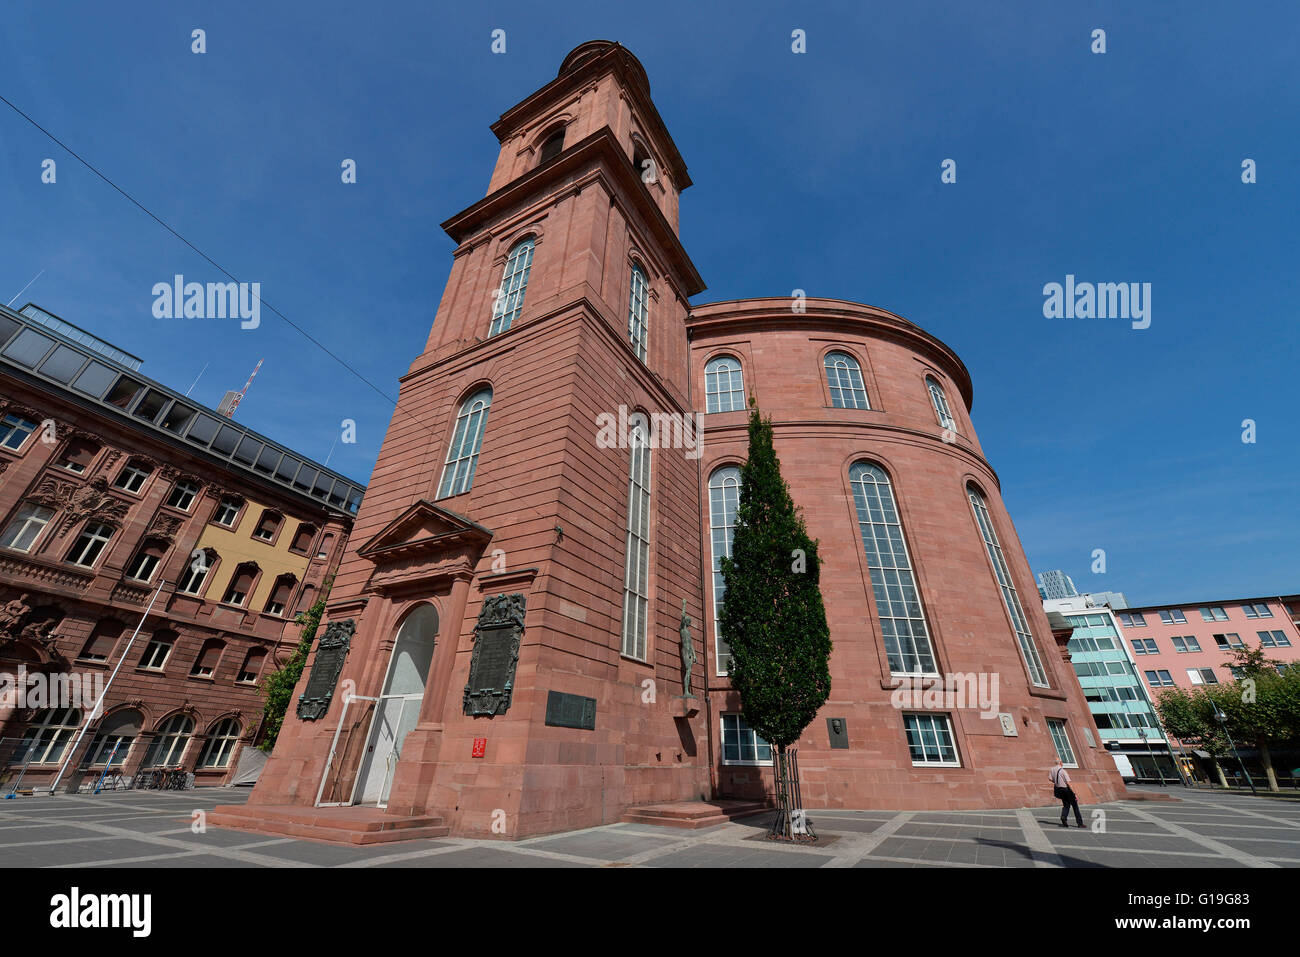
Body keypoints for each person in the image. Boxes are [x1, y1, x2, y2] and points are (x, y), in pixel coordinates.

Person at [1050, 761, 1084, 827]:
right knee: (1075, 806)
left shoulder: (1052, 769)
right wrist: (1074, 793)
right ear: (1060, 763)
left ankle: (1063, 817)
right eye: (1062, 762)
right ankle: (1080, 823)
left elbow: (1049, 778)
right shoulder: (1063, 771)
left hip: (1059, 790)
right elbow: (1068, 783)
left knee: (1066, 805)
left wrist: (1057, 782)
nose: (1062, 763)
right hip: (1066, 789)